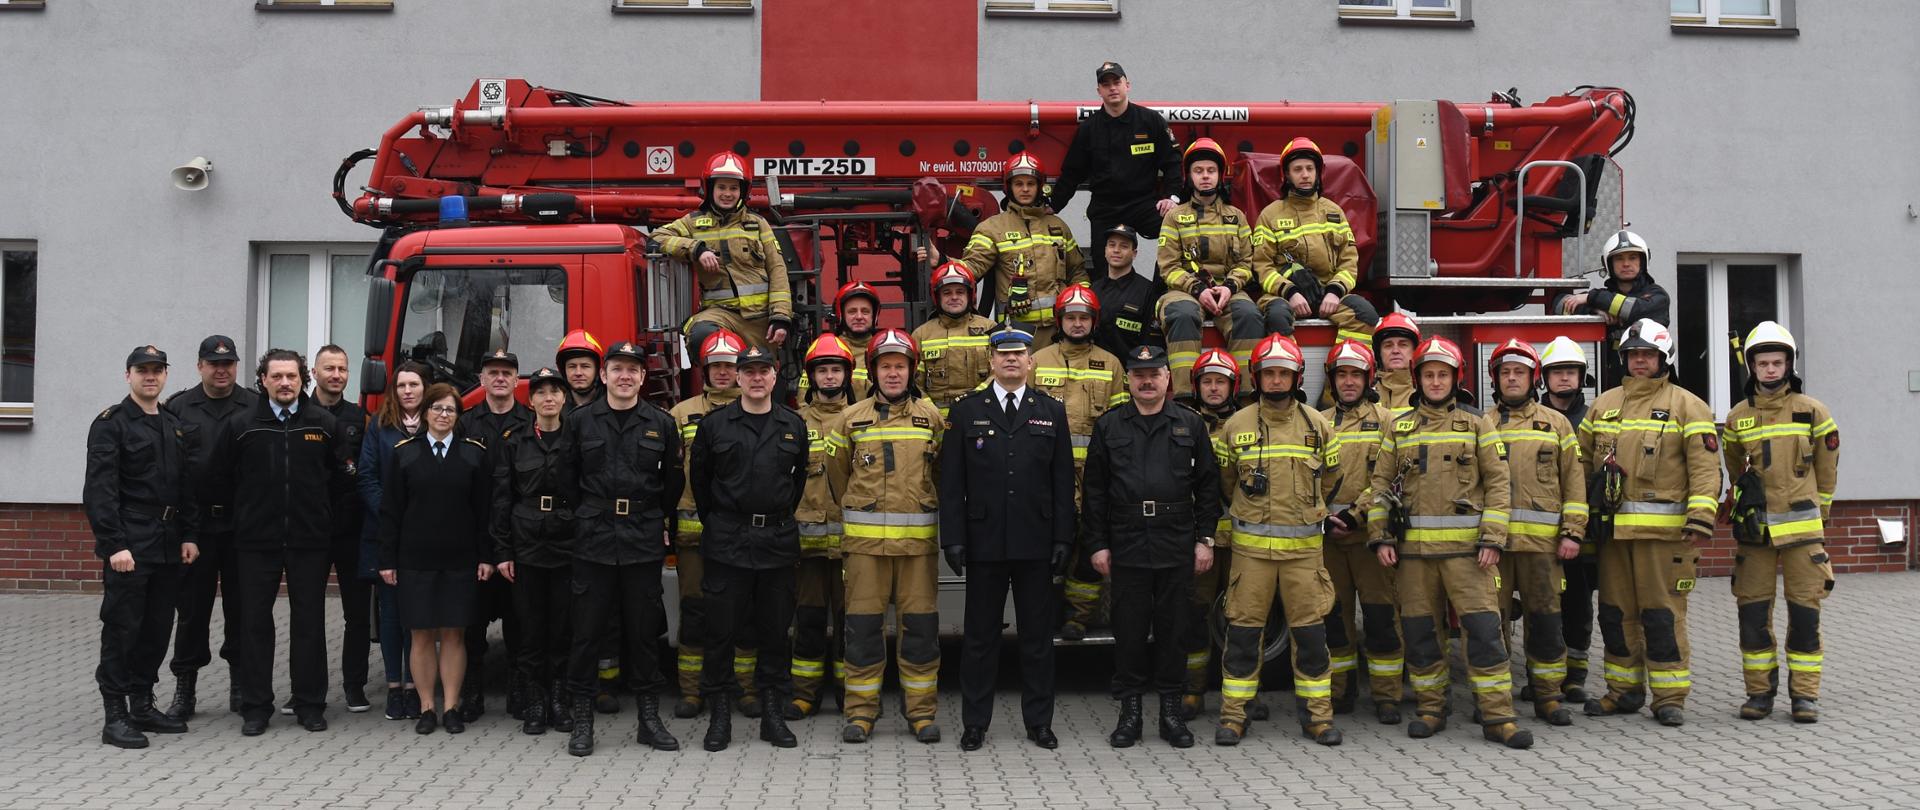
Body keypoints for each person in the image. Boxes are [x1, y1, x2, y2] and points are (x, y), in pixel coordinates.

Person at [1367, 336, 1532, 749]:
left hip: (1469, 557)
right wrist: (1381, 536)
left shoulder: (1478, 425)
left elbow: (1499, 485)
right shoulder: (1399, 427)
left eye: (1443, 374)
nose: (1436, 382)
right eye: (1429, 375)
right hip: (1414, 558)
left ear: (1456, 379)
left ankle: (1498, 717)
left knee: (1484, 633)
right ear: (1417, 379)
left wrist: (1493, 538)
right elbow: (1380, 485)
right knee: (1421, 635)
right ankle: (1431, 709)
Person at [1577, 319, 1719, 726]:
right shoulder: (1603, 405)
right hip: (1614, 537)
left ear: (1664, 358)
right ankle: (1622, 691)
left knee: (1661, 616)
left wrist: (1700, 517)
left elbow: (1705, 468)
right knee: (1615, 615)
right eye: (1634, 354)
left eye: (1648, 355)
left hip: (1664, 537)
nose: (1640, 361)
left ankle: (1669, 698)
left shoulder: (1688, 405)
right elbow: (1581, 465)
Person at [941, 325, 1076, 751]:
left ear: (1031, 362)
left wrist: (1063, 537)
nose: (1012, 360)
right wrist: (953, 538)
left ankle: (1039, 723)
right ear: (991, 361)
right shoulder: (966, 411)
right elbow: (951, 482)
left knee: (1037, 640)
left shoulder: (1051, 411)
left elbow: (1062, 480)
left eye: (1019, 354)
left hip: (1036, 541)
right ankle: (975, 724)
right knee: (980, 639)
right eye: (1004, 355)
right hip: (984, 542)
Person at [1083, 344, 1222, 749]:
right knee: (1127, 632)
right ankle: (1130, 714)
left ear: (1167, 379)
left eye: (1154, 374)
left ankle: (1171, 714)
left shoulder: (1190, 424)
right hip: (1127, 540)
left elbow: (1208, 487)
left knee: (1174, 631)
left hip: (1175, 540)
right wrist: (1097, 544)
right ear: (1128, 379)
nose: (1146, 381)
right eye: (1139, 375)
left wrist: (1205, 539)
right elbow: (1094, 491)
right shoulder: (1109, 426)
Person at [1214, 335, 1345, 747]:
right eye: (1268, 373)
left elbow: (1333, 479)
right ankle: (1234, 716)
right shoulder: (1236, 425)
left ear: (1296, 377)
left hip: (1304, 558)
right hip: (1251, 555)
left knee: (1311, 640)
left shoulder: (1318, 425)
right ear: (1256, 377)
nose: (1275, 380)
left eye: (1283, 373)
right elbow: (1225, 482)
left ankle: (1318, 718)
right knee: (1241, 639)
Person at [559, 340, 682, 756]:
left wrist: (652, 517)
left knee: (644, 634)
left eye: (632, 369)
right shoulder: (579, 421)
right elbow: (566, 478)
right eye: (617, 369)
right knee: (586, 634)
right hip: (593, 540)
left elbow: (672, 484)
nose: (625, 376)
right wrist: (590, 513)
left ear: (643, 377)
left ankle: (649, 720)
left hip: (641, 540)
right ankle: (582, 721)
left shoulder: (661, 424)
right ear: (604, 375)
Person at [824, 328, 946, 744]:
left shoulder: (931, 419)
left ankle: (922, 714)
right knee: (861, 633)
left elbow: (941, 474)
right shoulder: (849, 419)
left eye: (900, 366)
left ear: (912, 370)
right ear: (872, 371)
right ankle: (860, 714)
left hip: (917, 551)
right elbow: (837, 478)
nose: (893, 373)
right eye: (885, 366)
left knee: (921, 633)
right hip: (865, 551)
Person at [689, 345, 809, 751]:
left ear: (775, 378)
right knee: (720, 632)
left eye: (764, 372)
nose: (757, 379)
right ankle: (720, 716)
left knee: (775, 632)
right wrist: (725, 522)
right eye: (749, 372)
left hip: (776, 542)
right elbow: (701, 484)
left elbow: (796, 484)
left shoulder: (793, 425)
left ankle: (773, 715)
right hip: (727, 542)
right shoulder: (714, 426)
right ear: (737, 379)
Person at [229, 349, 354, 736]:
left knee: (309, 623)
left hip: (309, 540)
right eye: (277, 376)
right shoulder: (242, 425)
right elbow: (224, 479)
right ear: (263, 380)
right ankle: (255, 707)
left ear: (303, 380)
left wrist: (321, 516)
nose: (285, 383)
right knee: (254, 624)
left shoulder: (324, 424)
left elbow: (342, 478)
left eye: (292, 377)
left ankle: (310, 704)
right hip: (256, 542)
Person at [1721, 321, 1839, 724]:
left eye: (1777, 362)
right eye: (1763, 363)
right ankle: (1759, 694)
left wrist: (1821, 515)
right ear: (1752, 367)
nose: (1770, 369)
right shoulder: (1737, 417)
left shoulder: (1812, 411)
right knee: (1752, 615)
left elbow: (1827, 469)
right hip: (1755, 535)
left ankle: (1804, 697)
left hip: (1803, 535)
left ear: (1789, 365)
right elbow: (1735, 469)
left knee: (1805, 615)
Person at [87, 345, 199, 748]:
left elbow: (185, 486)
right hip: (131, 545)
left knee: (156, 629)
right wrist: (114, 545)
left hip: (167, 544)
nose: (150, 376)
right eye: (142, 370)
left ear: (165, 375)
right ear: (128, 375)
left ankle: (141, 704)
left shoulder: (172, 423)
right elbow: (100, 491)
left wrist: (189, 534)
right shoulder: (111, 424)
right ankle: (115, 716)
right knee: (123, 629)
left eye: (157, 370)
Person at [377, 384, 493, 735]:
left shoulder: (473, 454)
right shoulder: (404, 454)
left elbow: (483, 512)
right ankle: (427, 707)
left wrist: (486, 556)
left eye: (451, 410)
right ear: (425, 412)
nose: (444, 415)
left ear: (458, 416)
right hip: (415, 559)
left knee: (455, 634)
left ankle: (452, 706)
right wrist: (387, 560)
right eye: (438, 408)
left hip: (460, 559)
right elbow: (391, 511)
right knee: (421, 635)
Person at [1482, 338, 1587, 728]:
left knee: (1545, 621)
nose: (1512, 378)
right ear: (1495, 379)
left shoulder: (1557, 424)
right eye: (1506, 372)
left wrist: (1572, 533)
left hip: (1542, 548)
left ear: (1533, 378)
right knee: (1491, 624)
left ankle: (1548, 697)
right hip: (1493, 547)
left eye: (1520, 372)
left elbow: (1574, 483)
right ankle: (1494, 701)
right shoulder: (1482, 424)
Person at [161, 334, 254, 721]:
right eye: (214, 364)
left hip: (241, 525)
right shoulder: (178, 407)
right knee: (192, 611)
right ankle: (185, 687)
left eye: (228, 363)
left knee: (242, 609)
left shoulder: (255, 405)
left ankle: (240, 684)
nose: (221, 370)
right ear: (200, 366)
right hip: (195, 528)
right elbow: (170, 470)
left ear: (236, 366)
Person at [1028, 283, 1128, 640]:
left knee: (1089, 545)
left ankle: (1079, 616)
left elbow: (1119, 425)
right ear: (1060, 321)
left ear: (1094, 321)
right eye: (1070, 317)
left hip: (1095, 477)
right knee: (1046, 545)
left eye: (1083, 317)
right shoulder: (1037, 361)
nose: (1077, 323)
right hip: (1046, 474)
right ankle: (1043, 615)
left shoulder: (1111, 364)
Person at [1318, 340, 1405, 724]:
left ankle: (1387, 696)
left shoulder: (1388, 422)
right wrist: (1323, 517)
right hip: (1328, 540)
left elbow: (1391, 478)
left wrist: (1355, 515)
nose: (1349, 381)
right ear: (1332, 380)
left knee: (1381, 619)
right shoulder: (1317, 421)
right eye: (1342, 374)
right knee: (1334, 621)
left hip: (1371, 538)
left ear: (1369, 378)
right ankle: (1340, 692)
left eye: (1356, 374)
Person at [490, 368, 577, 736]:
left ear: (564, 398)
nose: (549, 398)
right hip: (526, 546)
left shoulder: (576, 439)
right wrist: (503, 551)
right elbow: (501, 498)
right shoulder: (515, 441)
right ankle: (534, 702)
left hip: (567, 544)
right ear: (531, 401)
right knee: (529, 629)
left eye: (555, 391)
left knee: (562, 628)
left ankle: (559, 699)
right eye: (541, 392)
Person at [667, 330, 748, 720]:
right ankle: (692, 690)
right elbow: (668, 473)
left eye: (729, 366)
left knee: (742, 612)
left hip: (741, 535)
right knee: (695, 610)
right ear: (704, 369)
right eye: (716, 366)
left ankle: (744, 688)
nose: (722, 373)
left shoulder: (754, 408)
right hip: (693, 534)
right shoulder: (681, 414)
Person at [940, 153, 1087, 347]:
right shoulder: (992, 228)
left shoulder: (1058, 227)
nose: (1025, 189)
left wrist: (1080, 307)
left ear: (1040, 186)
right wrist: (940, 260)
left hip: (1057, 332)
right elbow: (972, 268)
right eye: (1019, 184)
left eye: (1030, 183)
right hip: (1014, 333)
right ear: (1008, 187)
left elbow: (1077, 271)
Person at [457, 348, 532, 723]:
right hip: (476, 535)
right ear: (482, 380)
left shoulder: (530, 422)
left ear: (517, 380)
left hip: (520, 536)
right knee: (472, 621)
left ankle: (519, 690)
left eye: (506, 372)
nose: (500, 378)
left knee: (519, 620)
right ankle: (471, 691)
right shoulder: (465, 424)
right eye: (493, 372)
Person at [1154, 138, 1262, 399]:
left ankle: (1246, 397)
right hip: (1184, 290)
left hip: (1228, 289)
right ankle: (1186, 399)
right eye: (1198, 170)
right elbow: (1168, 267)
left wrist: (1229, 287)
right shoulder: (1174, 217)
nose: (1205, 176)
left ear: (1220, 175)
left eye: (1211, 170)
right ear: (1189, 176)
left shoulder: (1236, 216)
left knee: (1249, 315)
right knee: (1182, 314)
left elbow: (1246, 262)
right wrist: (1197, 289)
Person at [654, 153, 794, 353]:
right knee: (700, 335)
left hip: (760, 321)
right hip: (720, 314)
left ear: (743, 191)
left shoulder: (757, 224)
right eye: (721, 187)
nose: (727, 193)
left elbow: (777, 269)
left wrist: (780, 316)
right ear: (710, 188)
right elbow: (657, 237)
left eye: (733, 188)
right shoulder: (693, 223)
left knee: (758, 370)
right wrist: (696, 249)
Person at [1251, 137, 1380, 346]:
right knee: (1276, 317)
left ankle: (1346, 365)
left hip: (1328, 293)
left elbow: (1349, 261)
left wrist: (1335, 291)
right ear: (1287, 175)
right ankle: (1288, 366)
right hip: (1285, 296)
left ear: (1318, 172)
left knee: (1365, 315)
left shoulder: (1334, 212)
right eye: (1298, 169)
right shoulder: (1270, 215)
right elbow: (1261, 266)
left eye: (1310, 169)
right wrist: (1290, 292)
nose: (1305, 175)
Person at [785, 335, 855, 721]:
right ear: (811, 377)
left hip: (851, 546)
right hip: (807, 547)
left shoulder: (861, 418)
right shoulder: (793, 423)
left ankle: (849, 694)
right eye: (823, 370)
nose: (829, 377)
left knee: (850, 624)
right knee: (809, 621)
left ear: (847, 375)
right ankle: (804, 695)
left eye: (836, 370)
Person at [358, 361, 430, 721]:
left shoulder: (436, 423)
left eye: (414, 384)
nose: (407, 391)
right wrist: (390, 515)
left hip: (423, 537)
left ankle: (416, 686)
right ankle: (394, 688)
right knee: (390, 615)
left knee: (416, 616)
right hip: (386, 534)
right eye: (401, 385)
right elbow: (367, 476)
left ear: (425, 388)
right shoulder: (379, 427)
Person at [1048, 60, 1183, 242]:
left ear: (1127, 85)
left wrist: (1172, 197)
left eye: (1117, 82)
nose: (1112, 88)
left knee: (1179, 229)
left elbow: (1173, 162)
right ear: (1099, 91)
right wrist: (1054, 205)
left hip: (1144, 203)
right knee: (1103, 260)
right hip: (1106, 209)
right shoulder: (1089, 129)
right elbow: (1072, 173)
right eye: (1106, 84)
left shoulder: (1151, 121)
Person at [1179, 348, 1242, 721]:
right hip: (1199, 543)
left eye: (1221, 382)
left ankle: (1245, 694)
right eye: (1207, 382)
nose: (1214, 388)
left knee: (1242, 619)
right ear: (1196, 386)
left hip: (1241, 543)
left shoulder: (1249, 423)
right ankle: (1193, 690)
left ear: (1233, 386)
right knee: (1195, 617)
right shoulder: (1183, 424)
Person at [310, 344, 372, 715]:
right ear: (314, 373)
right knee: (308, 615)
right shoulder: (299, 415)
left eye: (342, 369)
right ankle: (306, 688)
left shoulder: (360, 418)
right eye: (329, 368)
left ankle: (355, 686)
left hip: (352, 528)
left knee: (357, 614)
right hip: (311, 530)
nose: (336, 375)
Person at [1538, 336, 1597, 701]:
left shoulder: (1594, 420)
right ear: (1544, 377)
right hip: (1539, 530)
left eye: (1570, 371)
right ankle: (1545, 674)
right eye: (1557, 371)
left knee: (1577, 602)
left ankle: (1575, 676)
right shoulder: (1533, 418)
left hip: (1581, 531)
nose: (1564, 378)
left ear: (1581, 377)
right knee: (1544, 605)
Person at [1551, 230, 1671, 387]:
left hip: (1652, 382)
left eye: (1632, 257)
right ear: (1608, 263)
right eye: (1619, 258)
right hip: (1612, 382)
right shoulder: (1602, 300)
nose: (1626, 264)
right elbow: (1559, 305)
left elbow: (1632, 310)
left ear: (1643, 260)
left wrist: (1592, 298)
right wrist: (1594, 312)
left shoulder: (1657, 296)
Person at [910, 261, 996, 417]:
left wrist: (975, 401)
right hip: (936, 419)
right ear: (937, 297)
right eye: (947, 293)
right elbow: (914, 385)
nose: (954, 297)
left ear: (970, 294)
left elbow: (1000, 374)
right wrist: (932, 413)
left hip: (982, 414)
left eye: (960, 292)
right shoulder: (921, 335)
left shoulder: (990, 328)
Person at [1087, 223, 1163, 362]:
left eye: (1124, 246)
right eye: (1112, 245)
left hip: (1131, 370)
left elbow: (1151, 342)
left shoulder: (1147, 291)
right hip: (1095, 369)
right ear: (1105, 250)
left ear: (1134, 254)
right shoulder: (1093, 290)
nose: (1116, 250)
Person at [1371, 313, 1421, 418]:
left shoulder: (1426, 392)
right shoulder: (1365, 393)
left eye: (1403, 345)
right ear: (1379, 353)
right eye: (1388, 345)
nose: (1395, 351)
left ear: (1415, 351)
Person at [556, 329, 605, 413]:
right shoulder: (554, 407)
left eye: (585, 366)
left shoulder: (613, 403)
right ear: (564, 371)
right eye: (572, 366)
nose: (578, 373)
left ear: (597, 370)